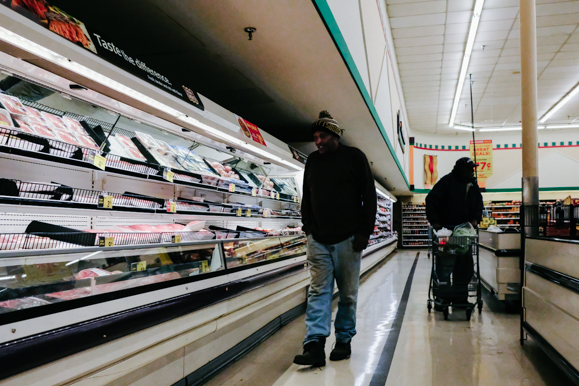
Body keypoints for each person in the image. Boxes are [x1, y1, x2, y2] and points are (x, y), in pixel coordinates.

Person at [293, 110, 377, 367]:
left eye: (323, 136)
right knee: (318, 291)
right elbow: (307, 197)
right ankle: (315, 345)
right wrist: (308, 229)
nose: (317, 141)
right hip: (317, 239)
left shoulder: (354, 157)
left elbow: (369, 196)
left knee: (348, 294)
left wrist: (364, 232)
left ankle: (343, 340)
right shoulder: (313, 162)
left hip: (348, 239)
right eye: (315, 137)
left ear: (335, 135)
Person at [425, 157, 483, 308]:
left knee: (464, 266)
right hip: (446, 233)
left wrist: (475, 220)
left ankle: (460, 299)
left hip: (464, 235)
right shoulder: (446, 182)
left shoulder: (473, 185)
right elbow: (431, 200)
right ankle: (442, 298)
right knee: (444, 265)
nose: (472, 171)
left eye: (473, 169)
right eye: (469, 169)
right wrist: (436, 223)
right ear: (460, 168)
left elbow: (479, 205)